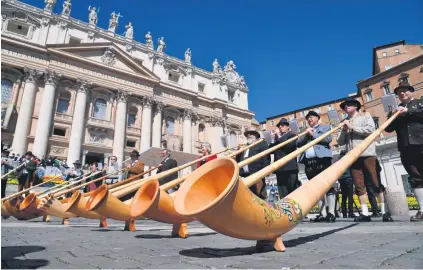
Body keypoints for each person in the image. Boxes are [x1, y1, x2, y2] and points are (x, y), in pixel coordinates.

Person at [337, 98, 393, 222]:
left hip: (367, 153)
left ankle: (384, 211)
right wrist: (344, 130)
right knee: (359, 184)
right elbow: (340, 141)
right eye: (345, 106)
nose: (347, 107)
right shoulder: (344, 121)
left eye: (349, 105)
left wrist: (352, 127)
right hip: (353, 156)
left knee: (375, 181)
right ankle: (365, 212)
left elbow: (370, 130)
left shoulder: (365, 116)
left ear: (356, 106)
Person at [385, 81, 423, 222]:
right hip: (406, 147)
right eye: (399, 92)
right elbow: (388, 129)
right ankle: (422, 210)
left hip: (421, 143)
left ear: (412, 91)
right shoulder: (397, 110)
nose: (402, 93)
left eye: (405, 90)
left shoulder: (420, 103)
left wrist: (409, 111)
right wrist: (391, 116)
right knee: (415, 177)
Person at [297, 111, 336, 222]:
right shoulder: (305, 132)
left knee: (328, 185)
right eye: (308, 118)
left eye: (311, 117)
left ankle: (331, 213)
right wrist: (306, 134)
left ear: (317, 118)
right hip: (309, 162)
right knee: (315, 189)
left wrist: (313, 134)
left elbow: (328, 139)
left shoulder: (325, 128)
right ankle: (322, 213)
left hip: (322, 160)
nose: (309, 120)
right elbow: (298, 143)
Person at [269, 118, 300, 199]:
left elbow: (289, 146)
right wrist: (273, 139)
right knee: (282, 192)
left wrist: (279, 136)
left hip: (290, 167)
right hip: (280, 169)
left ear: (287, 127)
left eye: (282, 125)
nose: (280, 127)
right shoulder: (277, 139)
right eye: (279, 126)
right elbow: (271, 151)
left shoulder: (292, 135)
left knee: (293, 190)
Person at [235, 128, 270, 200]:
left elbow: (266, 157)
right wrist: (238, 152)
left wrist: (266, 170)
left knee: (259, 196)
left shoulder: (261, 144)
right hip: (246, 175)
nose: (248, 135)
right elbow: (239, 160)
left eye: (251, 133)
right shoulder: (245, 147)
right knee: (249, 197)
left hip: (257, 173)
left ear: (256, 135)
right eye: (247, 135)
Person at [337, 150, 356, 218]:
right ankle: (350, 213)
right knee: (350, 197)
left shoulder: (338, 161)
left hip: (341, 180)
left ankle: (344, 213)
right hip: (348, 178)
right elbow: (351, 169)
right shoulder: (347, 159)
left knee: (344, 197)